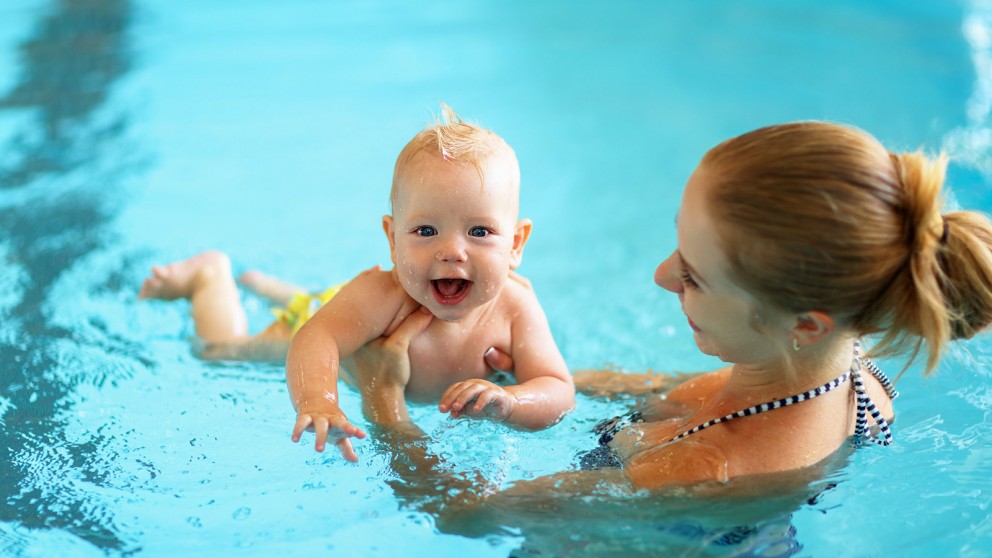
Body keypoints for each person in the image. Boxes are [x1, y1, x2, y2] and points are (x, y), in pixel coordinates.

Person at [352, 121, 992, 493]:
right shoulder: (844, 363)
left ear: (804, 322)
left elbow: (466, 518)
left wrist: (384, 404)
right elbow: (677, 393)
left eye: (694, 275)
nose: (662, 276)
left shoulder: (702, 468)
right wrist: (527, 382)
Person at [138, 104, 575, 462]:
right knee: (223, 352)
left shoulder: (516, 307)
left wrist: (512, 402)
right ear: (392, 239)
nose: (452, 251)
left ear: (516, 244)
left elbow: (556, 387)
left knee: (335, 306)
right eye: (425, 231)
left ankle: (273, 287)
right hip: (330, 315)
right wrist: (317, 398)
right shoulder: (385, 295)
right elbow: (317, 336)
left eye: (479, 232)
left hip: (350, 311)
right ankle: (209, 277)